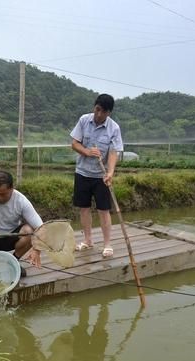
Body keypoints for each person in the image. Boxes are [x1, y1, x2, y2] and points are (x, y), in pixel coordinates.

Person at [70, 93, 123, 258]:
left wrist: (110, 172)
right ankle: (87, 240)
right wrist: (86, 151)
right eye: (97, 110)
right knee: (84, 209)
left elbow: (114, 152)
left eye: (104, 112)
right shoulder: (84, 120)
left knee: (103, 210)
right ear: (94, 107)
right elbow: (74, 143)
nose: (99, 114)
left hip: (101, 176)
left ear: (109, 113)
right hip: (82, 173)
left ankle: (107, 244)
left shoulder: (113, 128)